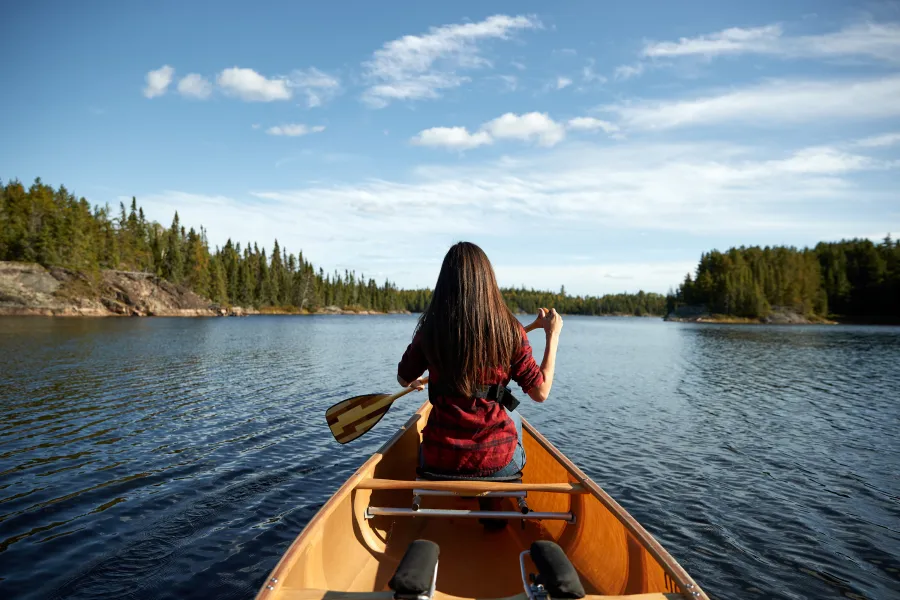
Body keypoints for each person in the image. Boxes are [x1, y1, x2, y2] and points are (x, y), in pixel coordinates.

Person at [397, 241, 563, 479]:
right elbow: (541, 392)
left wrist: (421, 368)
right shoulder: (510, 331)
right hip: (496, 462)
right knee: (513, 415)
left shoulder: (431, 329)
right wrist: (552, 335)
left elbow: (403, 378)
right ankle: (496, 506)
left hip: (438, 459)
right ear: (488, 282)